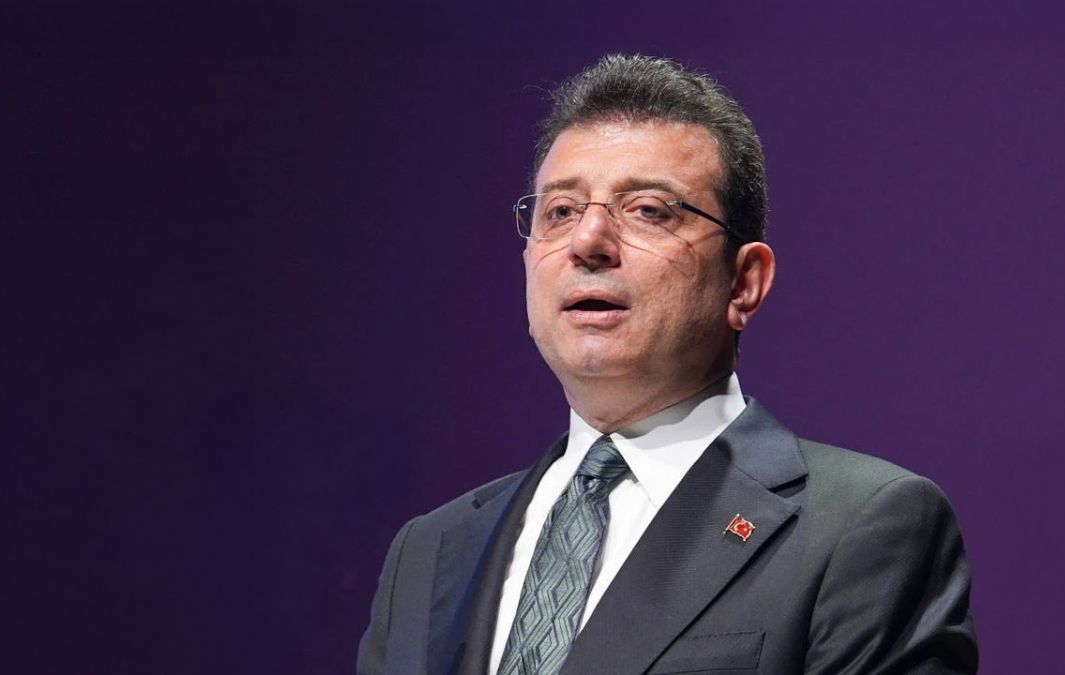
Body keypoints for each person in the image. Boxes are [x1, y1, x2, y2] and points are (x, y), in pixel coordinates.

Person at [357, 54, 978, 675]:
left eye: (649, 210)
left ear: (743, 283)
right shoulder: (430, 550)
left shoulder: (861, 526)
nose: (587, 242)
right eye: (561, 211)